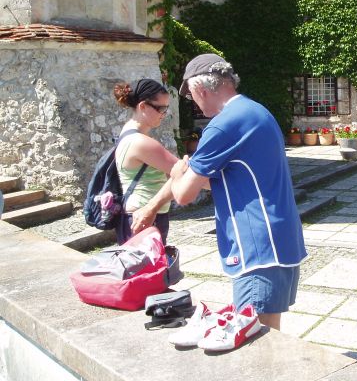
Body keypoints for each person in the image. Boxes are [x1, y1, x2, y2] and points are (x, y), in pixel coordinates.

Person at [169, 54, 307, 330]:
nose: (193, 103)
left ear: (200, 89)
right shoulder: (257, 112)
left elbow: (183, 195)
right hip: (280, 238)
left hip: (256, 247)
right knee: (269, 331)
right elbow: (234, 180)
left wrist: (175, 176)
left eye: (191, 96)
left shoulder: (222, 125)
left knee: (252, 336)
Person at [113, 79, 179, 244]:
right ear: (142, 106)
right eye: (160, 108)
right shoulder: (141, 142)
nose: (164, 114)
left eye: (166, 108)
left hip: (134, 215)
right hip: (145, 217)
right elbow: (184, 172)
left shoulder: (127, 133)